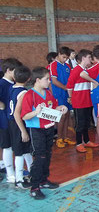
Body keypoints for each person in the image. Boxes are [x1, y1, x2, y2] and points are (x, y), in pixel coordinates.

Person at [21, 67, 68, 199]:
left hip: (49, 129)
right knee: (40, 157)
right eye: (47, 79)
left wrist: (61, 108)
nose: (49, 81)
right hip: (37, 131)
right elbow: (24, 116)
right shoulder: (29, 95)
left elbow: (53, 107)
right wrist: (36, 112)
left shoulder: (47, 93)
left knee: (47, 155)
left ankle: (43, 180)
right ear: (38, 80)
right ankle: (34, 187)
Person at [66, 49, 99, 153]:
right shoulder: (76, 70)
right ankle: (79, 143)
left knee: (86, 123)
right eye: (89, 57)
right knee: (80, 123)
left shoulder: (86, 70)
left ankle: (87, 140)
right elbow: (69, 86)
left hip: (87, 101)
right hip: (79, 102)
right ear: (83, 58)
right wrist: (71, 98)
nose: (90, 59)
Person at [7, 65, 33, 189]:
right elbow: (17, 113)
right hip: (18, 124)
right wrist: (23, 131)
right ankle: (19, 179)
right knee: (19, 153)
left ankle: (32, 173)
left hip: (12, 123)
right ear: (28, 79)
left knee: (25, 149)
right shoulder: (23, 93)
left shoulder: (12, 88)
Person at [0, 58, 22, 184]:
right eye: (15, 71)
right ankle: (10, 174)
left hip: (11, 120)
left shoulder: (12, 84)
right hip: (3, 120)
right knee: (7, 146)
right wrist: (2, 105)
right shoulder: (2, 83)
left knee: (12, 146)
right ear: (8, 70)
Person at [49, 46, 75, 148]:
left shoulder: (67, 66)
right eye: (63, 57)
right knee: (61, 116)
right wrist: (66, 88)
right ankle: (59, 138)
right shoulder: (53, 65)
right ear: (59, 54)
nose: (65, 59)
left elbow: (70, 80)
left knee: (67, 115)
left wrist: (70, 94)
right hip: (58, 94)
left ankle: (65, 137)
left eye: (66, 58)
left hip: (66, 94)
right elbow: (54, 81)